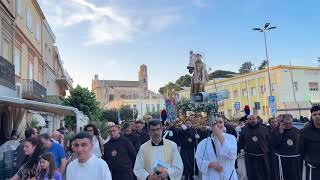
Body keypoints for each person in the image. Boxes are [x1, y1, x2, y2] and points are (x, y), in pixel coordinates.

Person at [268, 114, 301, 180]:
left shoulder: (297, 131)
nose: (288, 125)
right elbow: (272, 145)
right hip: (281, 160)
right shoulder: (274, 131)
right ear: (281, 122)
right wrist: (280, 133)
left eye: (290, 123)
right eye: (286, 123)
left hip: (294, 161)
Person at [238, 115, 270, 180]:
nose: (252, 121)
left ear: (257, 119)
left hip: (263, 156)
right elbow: (241, 142)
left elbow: (268, 140)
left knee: (264, 174)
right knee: (251, 174)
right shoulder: (244, 130)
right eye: (250, 119)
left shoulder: (264, 128)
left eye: (254, 119)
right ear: (248, 120)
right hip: (250, 157)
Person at [300, 105, 320, 180]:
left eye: (319, 114)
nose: (317, 116)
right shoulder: (304, 132)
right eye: (315, 115)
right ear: (311, 116)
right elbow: (301, 151)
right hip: (313, 169)